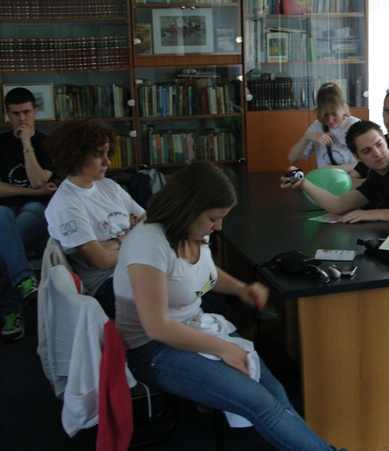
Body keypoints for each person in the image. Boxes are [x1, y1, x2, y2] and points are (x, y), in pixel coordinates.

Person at [114, 161, 340, 450]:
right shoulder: (149, 243)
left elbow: (200, 272)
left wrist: (241, 289)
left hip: (192, 327)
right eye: (213, 218)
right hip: (152, 348)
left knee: (275, 394)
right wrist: (223, 347)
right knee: (260, 403)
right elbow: (157, 327)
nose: (218, 226)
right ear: (188, 208)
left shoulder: (194, 229)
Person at [44, 119, 146, 318]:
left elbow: (147, 222)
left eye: (107, 153)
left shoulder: (108, 185)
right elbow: (102, 261)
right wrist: (130, 238)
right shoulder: (66, 205)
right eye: (98, 155)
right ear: (75, 157)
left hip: (136, 268)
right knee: (182, 296)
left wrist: (112, 244)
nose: (107, 162)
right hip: (106, 284)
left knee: (199, 285)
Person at [0, 87, 58, 341]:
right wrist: (33, 192)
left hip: (37, 213)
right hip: (5, 214)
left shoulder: (47, 143)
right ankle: (25, 281)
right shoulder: (0, 143)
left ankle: (12, 311)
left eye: (26, 112)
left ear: (35, 112)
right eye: (15, 114)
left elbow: (38, 181)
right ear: (8, 115)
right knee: (1, 215)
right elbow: (35, 188)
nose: (21, 119)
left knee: (25, 218)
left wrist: (26, 143)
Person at [287, 82, 360, 173]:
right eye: (325, 115)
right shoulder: (317, 126)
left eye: (334, 114)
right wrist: (307, 137)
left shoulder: (354, 125)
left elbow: (367, 162)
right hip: (327, 179)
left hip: (353, 178)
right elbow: (292, 159)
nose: (330, 120)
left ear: (342, 108)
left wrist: (338, 169)